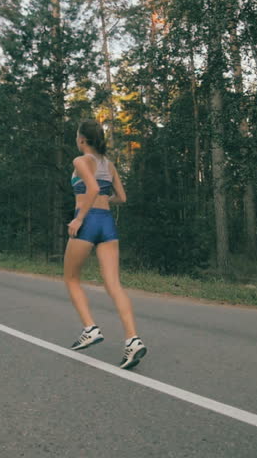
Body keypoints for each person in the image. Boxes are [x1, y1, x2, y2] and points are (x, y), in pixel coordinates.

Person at [64, 119, 147, 370]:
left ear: (82, 139)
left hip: (87, 221)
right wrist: (103, 200)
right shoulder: (109, 165)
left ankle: (90, 329)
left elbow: (90, 188)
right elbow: (122, 197)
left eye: (77, 136)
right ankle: (132, 340)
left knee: (71, 278)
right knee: (113, 284)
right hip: (107, 222)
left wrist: (79, 218)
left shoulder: (80, 161)